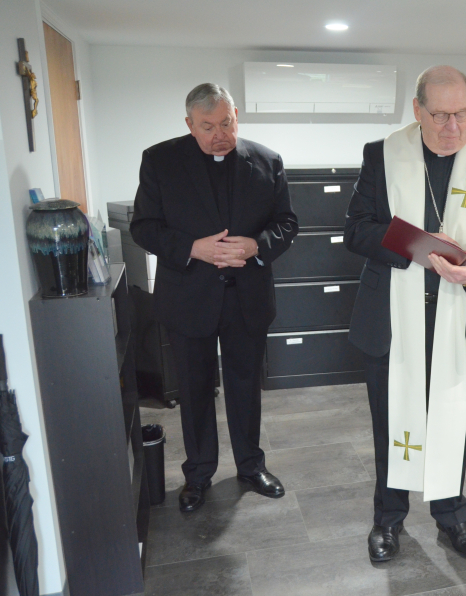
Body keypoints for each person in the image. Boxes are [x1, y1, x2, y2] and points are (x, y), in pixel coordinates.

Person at [345, 65, 466, 562]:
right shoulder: (383, 156)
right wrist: (416, 248)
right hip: (391, 321)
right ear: (417, 110)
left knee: (450, 421)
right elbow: (357, 230)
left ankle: (452, 517)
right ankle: (388, 519)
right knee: (391, 422)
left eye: (461, 113)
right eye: (439, 114)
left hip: (458, 321)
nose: (451, 126)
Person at [131, 83, 298, 513]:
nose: (219, 134)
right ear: (189, 124)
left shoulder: (267, 161)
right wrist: (193, 248)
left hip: (247, 297)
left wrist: (257, 245)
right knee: (195, 389)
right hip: (189, 296)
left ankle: (251, 466)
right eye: (207, 127)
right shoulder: (160, 160)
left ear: (236, 115)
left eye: (226, 123)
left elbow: (287, 223)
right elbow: (144, 227)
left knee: (246, 386)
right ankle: (199, 474)